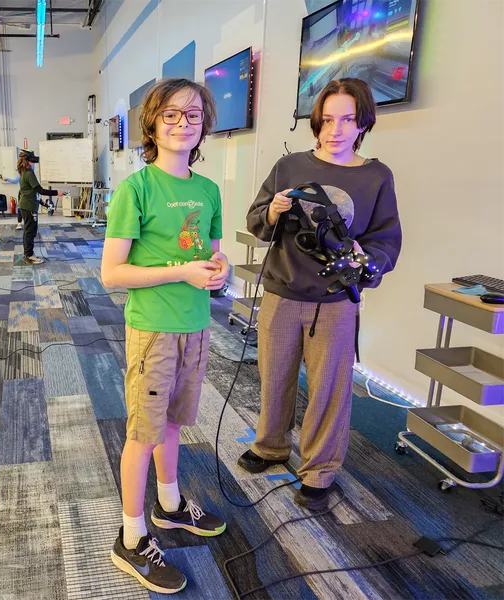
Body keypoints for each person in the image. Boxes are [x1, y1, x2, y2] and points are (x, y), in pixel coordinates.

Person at [242, 78, 402, 510]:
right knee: (274, 376)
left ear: (363, 123)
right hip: (281, 292)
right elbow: (256, 221)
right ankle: (270, 445)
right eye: (328, 120)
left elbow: (386, 241)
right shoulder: (289, 166)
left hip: (335, 302)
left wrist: (365, 262)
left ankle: (320, 470)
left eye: (347, 120)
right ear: (316, 122)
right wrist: (272, 211)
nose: (336, 130)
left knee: (329, 389)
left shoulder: (376, 176)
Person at [102, 78, 230, 594]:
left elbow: (212, 255)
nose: (183, 122)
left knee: (174, 423)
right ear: (152, 125)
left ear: (204, 125)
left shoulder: (209, 190)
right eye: (171, 114)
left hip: (196, 327)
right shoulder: (136, 189)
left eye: (193, 114)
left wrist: (219, 269)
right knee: (143, 434)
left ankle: (170, 504)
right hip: (153, 330)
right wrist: (182, 273)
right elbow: (112, 273)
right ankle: (131, 538)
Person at [16, 150, 66, 264]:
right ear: (27, 161)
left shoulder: (23, 173)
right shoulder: (29, 173)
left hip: (27, 205)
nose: (34, 163)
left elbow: (33, 192)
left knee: (29, 230)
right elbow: (40, 190)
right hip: (28, 206)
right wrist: (56, 192)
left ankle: (28, 254)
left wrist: (44, 204)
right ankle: (29, 255)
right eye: (32, 161)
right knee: (30, 231)